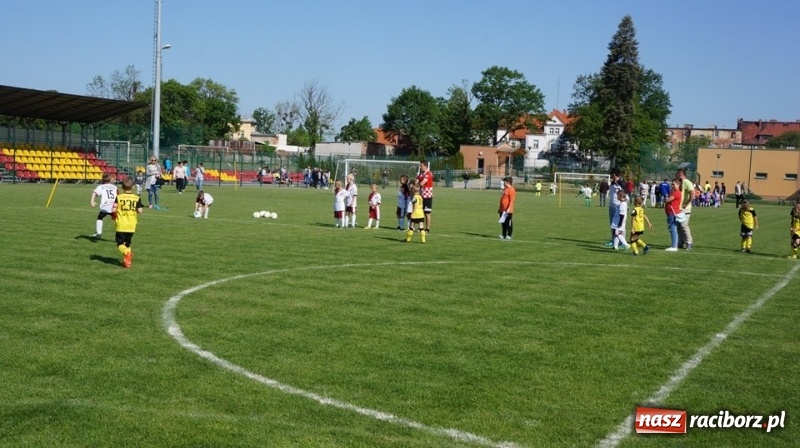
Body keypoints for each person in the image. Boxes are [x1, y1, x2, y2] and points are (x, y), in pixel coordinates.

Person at [114, 177, 144, 268]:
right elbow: (140, 211)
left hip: (121, 224)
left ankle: (127, 253)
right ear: (133, 187)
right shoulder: (136, 198)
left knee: (120, 244)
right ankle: (127, 262)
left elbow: (113, 208)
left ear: (122, 187)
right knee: (127, 243)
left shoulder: (119, 197)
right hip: (131, 225)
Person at [90, 173, 118, 239]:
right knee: (118, 220)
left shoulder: (101, 187)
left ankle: (98, 233)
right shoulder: (114, 187)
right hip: (113, 206)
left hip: (105, 206)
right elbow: (118, 196)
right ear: (111, 179)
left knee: (100, 217)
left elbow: (94, 192)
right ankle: (121, 235)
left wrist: (92, 201)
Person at [606, 167, 628, 246]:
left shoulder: (621, 183)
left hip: (618, 206)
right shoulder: (612, 183)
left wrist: (625, 206)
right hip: (611, 206)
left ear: (614, 174)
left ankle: (622, 241)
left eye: (611, 174)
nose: (610, 176)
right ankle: (613, 240)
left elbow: (626, 194)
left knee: (620, 224)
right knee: (612, 224)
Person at [676, 168, 695, 250]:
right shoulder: (680, 183)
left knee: (684, 225)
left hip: (685, 208)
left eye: (677, 174)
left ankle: (689, 242)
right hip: (678, 208)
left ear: (680, 174)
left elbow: (692, 193)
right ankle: (680, 242)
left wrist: (687, 203)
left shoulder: (687, 182)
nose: (676, 175)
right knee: (679, 226)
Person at [663, 179, 682, 251]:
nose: (672, 186)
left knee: (673, 229)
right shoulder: (673, 192)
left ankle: (674, 246)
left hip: (673, 213)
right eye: (672, 184)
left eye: (674, 184)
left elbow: (668, 200)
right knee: (672, 228)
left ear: (678, 185)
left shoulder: (676, 193)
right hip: (671, 212)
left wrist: (666, 199)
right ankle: (674, 245)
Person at [417, 160, 434, 232]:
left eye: (421, 166)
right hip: (421, 195)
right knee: (421, 212)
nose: (420, 167)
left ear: (425, 166)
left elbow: (421, 183)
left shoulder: (428, 174)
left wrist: (418, 185)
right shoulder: (421, 174)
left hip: (427, 196)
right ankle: (421, 227)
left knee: (427, 213)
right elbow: (416, 181)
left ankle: (427, 228)